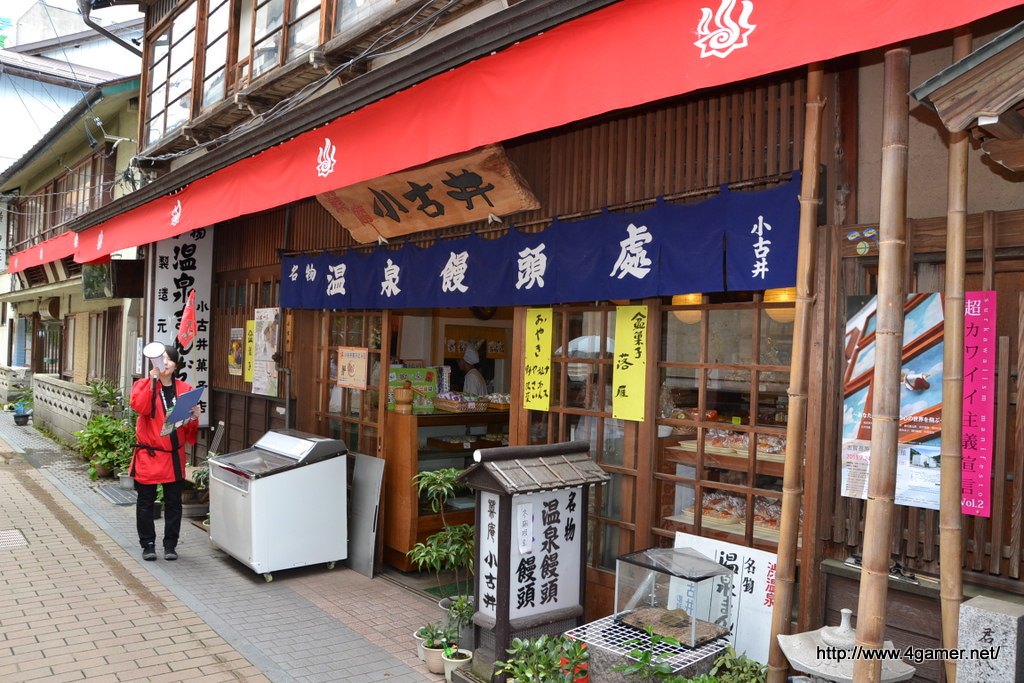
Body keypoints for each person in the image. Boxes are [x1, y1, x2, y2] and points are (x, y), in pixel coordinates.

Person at [129, 345, 201, 561]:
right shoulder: (142, 385)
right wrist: (152, 382)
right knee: (145, 502)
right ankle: (148, 544)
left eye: (169, 359)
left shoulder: (185, 389)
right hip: (148, 454)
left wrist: (194, 416)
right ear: (154, 362)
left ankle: (170, 545)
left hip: (173, 455)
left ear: (176, 365)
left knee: (174, 503)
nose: (165, 363)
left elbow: (187, 428)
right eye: (161, 359)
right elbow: (141, 408)